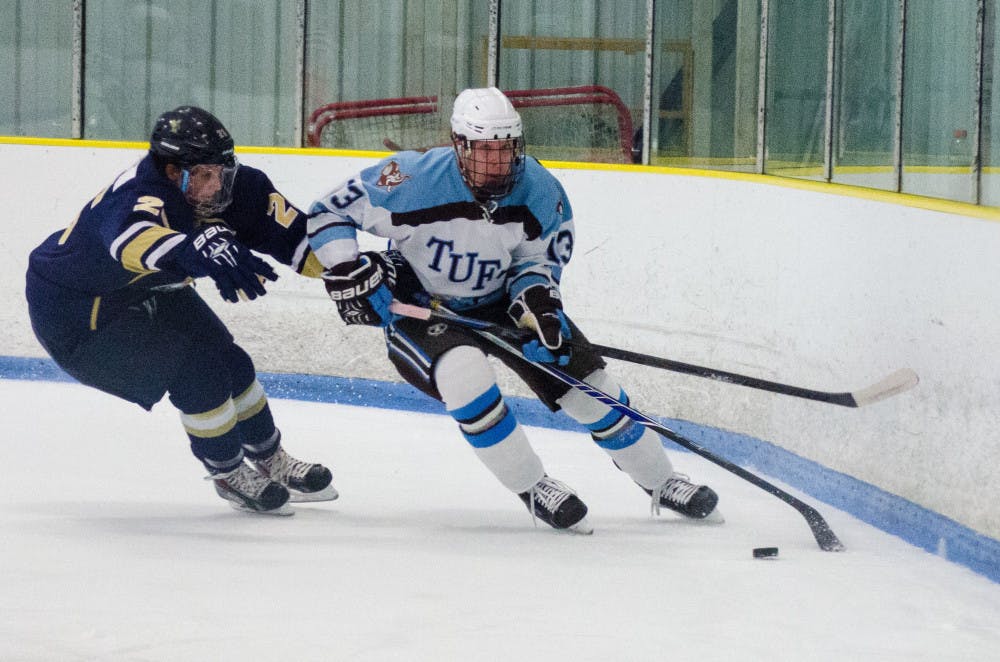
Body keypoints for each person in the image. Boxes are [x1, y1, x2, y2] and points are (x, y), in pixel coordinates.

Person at [307, 87, 717, 533]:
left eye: (504, 149)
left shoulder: (539, 190)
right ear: (458, 144)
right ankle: (533, 486)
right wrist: (348, 266)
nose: (496, 162)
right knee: (464, 374)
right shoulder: (409, 178)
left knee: (589, 386)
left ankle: (661, 479)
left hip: (502, 300)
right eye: (483, 150)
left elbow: (536, 262)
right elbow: (327, 213)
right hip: (420, 304)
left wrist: (538, 306)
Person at [25, 106, 336, 515]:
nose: (215, 188)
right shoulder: (135, 195)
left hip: (144, 288)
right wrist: (195, 250)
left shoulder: (239, 188)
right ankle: (226, 471)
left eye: (220, 173)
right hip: (76, 312)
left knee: (231, 361)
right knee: (198, 370)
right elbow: (130, 241)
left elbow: (299, 243)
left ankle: (271, 458)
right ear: (173, 172)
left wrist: (351, 270)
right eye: (203, 177)